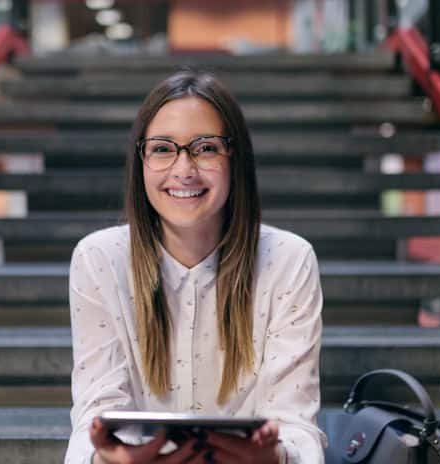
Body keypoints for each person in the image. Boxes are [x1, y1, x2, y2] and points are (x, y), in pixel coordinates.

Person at [64, 70, 326, 464]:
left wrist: (277, 457)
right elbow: (94, 415)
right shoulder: (98, 259)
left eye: (205, 148)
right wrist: (106, 459)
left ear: (235, 157)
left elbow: (297, 425)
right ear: (141, 160)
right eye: (163, 149)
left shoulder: (289, 260)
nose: (184, 169)